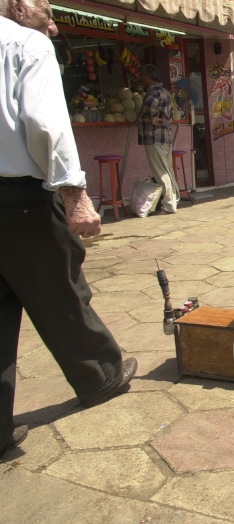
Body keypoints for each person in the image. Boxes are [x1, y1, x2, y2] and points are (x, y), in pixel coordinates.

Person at [1, 0, 137, 459]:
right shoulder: (24, 44)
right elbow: (44, 123)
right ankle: (101, 375)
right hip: (17, 199)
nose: (53, 23)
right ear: (19, 7)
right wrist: (74, 192)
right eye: (44, 9)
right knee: (60, 288)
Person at [138, 63, 179, 215]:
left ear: (148, 78)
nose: (141, 79)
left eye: (142, 76)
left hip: (155, 137)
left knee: (161, 172)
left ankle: (168, 205)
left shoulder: (153, 94)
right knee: (167, 171)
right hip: (165, 137)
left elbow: (151, 111)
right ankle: (173, 200)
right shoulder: (165, 92)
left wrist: (152, 119)